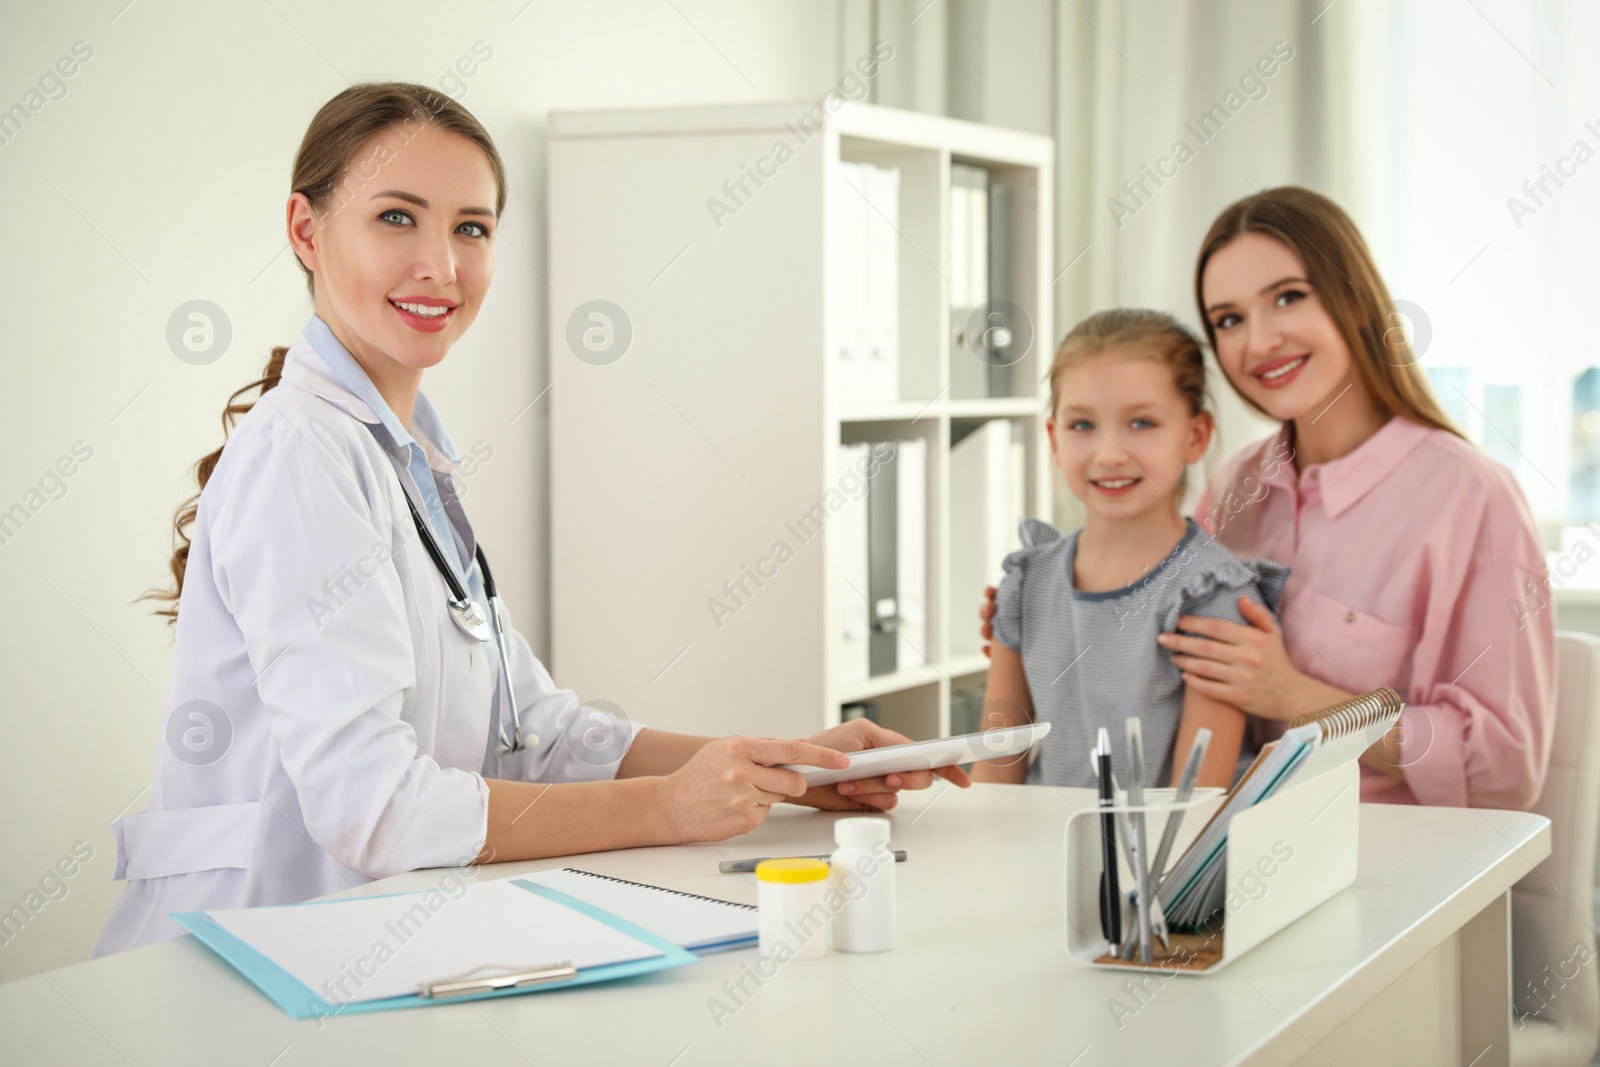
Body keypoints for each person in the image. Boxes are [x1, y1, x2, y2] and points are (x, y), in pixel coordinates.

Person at [96, 83, 966, 956]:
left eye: (471, 228)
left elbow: (538, 734)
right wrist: (670, 807)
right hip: (245, 967)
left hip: (361, 953)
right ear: (305, 230)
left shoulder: (408, 460)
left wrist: (779, 767)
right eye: (398, 218)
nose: (441, 263)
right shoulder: (303, 453)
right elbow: (372, 808)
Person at [983, 187, 1554, 809]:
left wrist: (1296, 696)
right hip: (1226, 850)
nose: (1258, 343)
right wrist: (1048, 611)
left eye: (1288, 297)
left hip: (1388, 860)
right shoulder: (1236, 485)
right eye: (1229, 320)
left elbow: (1506, 768)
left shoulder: (1471, 499)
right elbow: (1155, 636)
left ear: (1355, 300)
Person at [971, 309, 1288, 790]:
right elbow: (996, 767)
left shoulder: (1211, 596)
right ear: (1053, 439)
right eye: (1082, 425)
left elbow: (1196, 804)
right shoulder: (1025, 582)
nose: (1109, 454)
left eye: (1141, 422)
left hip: (1162, 860)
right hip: (1039, 854)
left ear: (1195, 436)